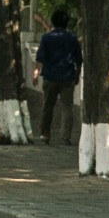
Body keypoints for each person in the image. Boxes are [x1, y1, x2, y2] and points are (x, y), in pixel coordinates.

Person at [34, 10, 82, 145]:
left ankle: (45, 134)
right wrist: (77, 75)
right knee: (67, 107)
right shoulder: (72, 38)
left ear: (52, 22)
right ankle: (65, 137)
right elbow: (79, 60)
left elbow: (40, 58)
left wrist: (35, 73)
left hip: (50, 76)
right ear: (66, 23)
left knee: (48, 106)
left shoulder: (46, 37)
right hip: (67, 77)